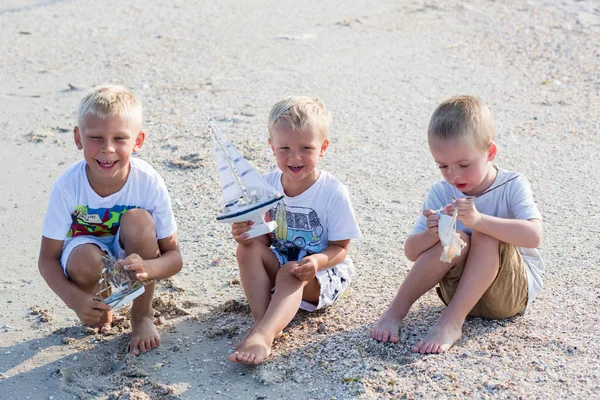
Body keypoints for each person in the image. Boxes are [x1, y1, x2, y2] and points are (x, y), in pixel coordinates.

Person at [371, 95, 543, 354]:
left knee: (486, 235)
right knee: (457, 237)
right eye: (443, 166)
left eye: (464, 164)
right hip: (457, 290)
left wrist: (480, 220)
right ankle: (395, 312)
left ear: (490, 152)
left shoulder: (513, 184)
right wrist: (433, 234)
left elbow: (534, 236)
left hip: (509, 294)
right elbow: (410, 252)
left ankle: (452, 322)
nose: (454, 175)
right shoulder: (442, 191)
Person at [38, 85, 183, 355]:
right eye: (96, 137)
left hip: (131, 252)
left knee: (139, 220)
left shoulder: (148, 182)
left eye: (120, 138)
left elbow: (174, 258)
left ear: (138, 141)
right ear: (78, 137)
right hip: (85, 255)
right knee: (84, 257)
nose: (107, 149)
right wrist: (76, 301)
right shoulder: (68, 186)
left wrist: (148, 267)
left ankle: (141, 315)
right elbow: (47, 259)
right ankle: (101, 304)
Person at [228, 96, 361, 365]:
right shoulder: (266, 184)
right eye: (284, 148)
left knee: (291, 271)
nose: (295, 156)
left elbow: (341, 248)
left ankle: (264, 335)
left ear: (323, 148)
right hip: (282, 259)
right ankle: (263, 322)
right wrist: (246, 232)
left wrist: (316, 261)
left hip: (322, 271)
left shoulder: (332, 192)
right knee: (247, 249)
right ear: (271, 147)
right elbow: (265, 238)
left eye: (306, 148)